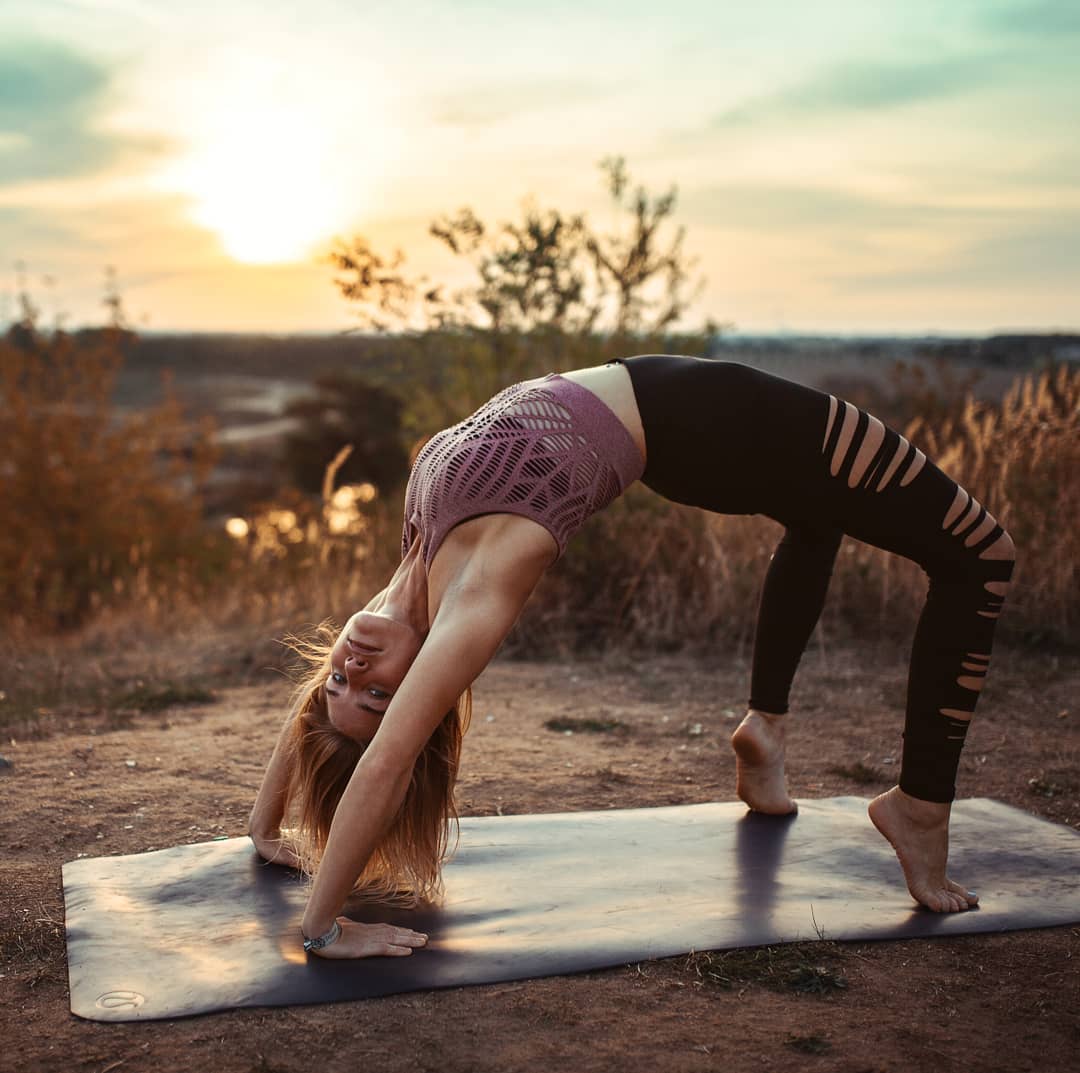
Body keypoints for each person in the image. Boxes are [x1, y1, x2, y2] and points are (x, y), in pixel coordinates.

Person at [249, 355, 1016, 958]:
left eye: (337, 681)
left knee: (816, 515)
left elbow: (322, 703)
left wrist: (264, 823)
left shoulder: (408, 579)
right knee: (980, 552)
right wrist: (321, 929)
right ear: (417, 689)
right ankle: (919, 809)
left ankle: (767, 732)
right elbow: (385, 763)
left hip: (682, 420)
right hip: (712, 421)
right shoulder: (475, 591)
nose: (349, 665)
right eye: (375, 693)